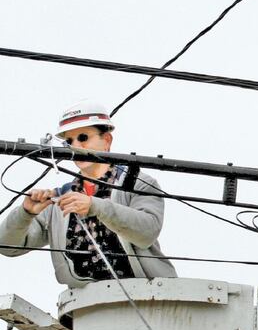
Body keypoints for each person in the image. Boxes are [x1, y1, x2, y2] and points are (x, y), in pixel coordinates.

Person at [0, 100, 176, 287]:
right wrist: (25, 213)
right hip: (88, 305)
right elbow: (8, 248)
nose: (76, 146)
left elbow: (147, 232)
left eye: (83, 137)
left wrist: (95, 206)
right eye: (69, 141)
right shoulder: (61, 199)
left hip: (149, 297)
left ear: (107, 140)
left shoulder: (137, 183)